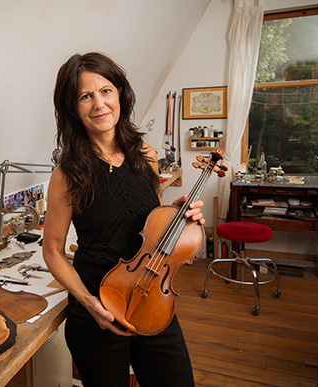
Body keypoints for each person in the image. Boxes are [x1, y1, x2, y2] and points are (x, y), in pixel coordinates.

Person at [42, 52, 205, 387]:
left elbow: (153, 228)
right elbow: (53, 250)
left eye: (105, 91)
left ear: (120, 95)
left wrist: (180, 218)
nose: (99, 104)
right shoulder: (67, 174)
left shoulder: (146, 156)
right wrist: (88, 303)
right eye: (85, 96)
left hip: (153, 302)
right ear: (72, 108)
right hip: (97, 309)